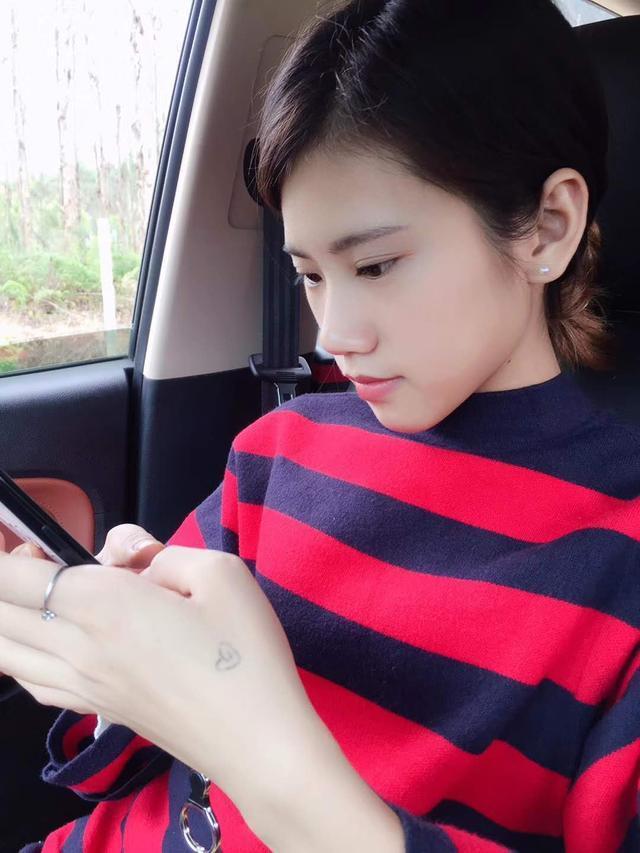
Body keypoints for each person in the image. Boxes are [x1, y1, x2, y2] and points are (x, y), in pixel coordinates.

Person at [0, 0, 638, 849]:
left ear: (546, 228)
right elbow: (126, 762)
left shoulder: (620, 558)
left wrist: (253, 743)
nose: (334, 334)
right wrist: (107, 653)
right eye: (310, 274)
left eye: (375, 264)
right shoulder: (279, 451)